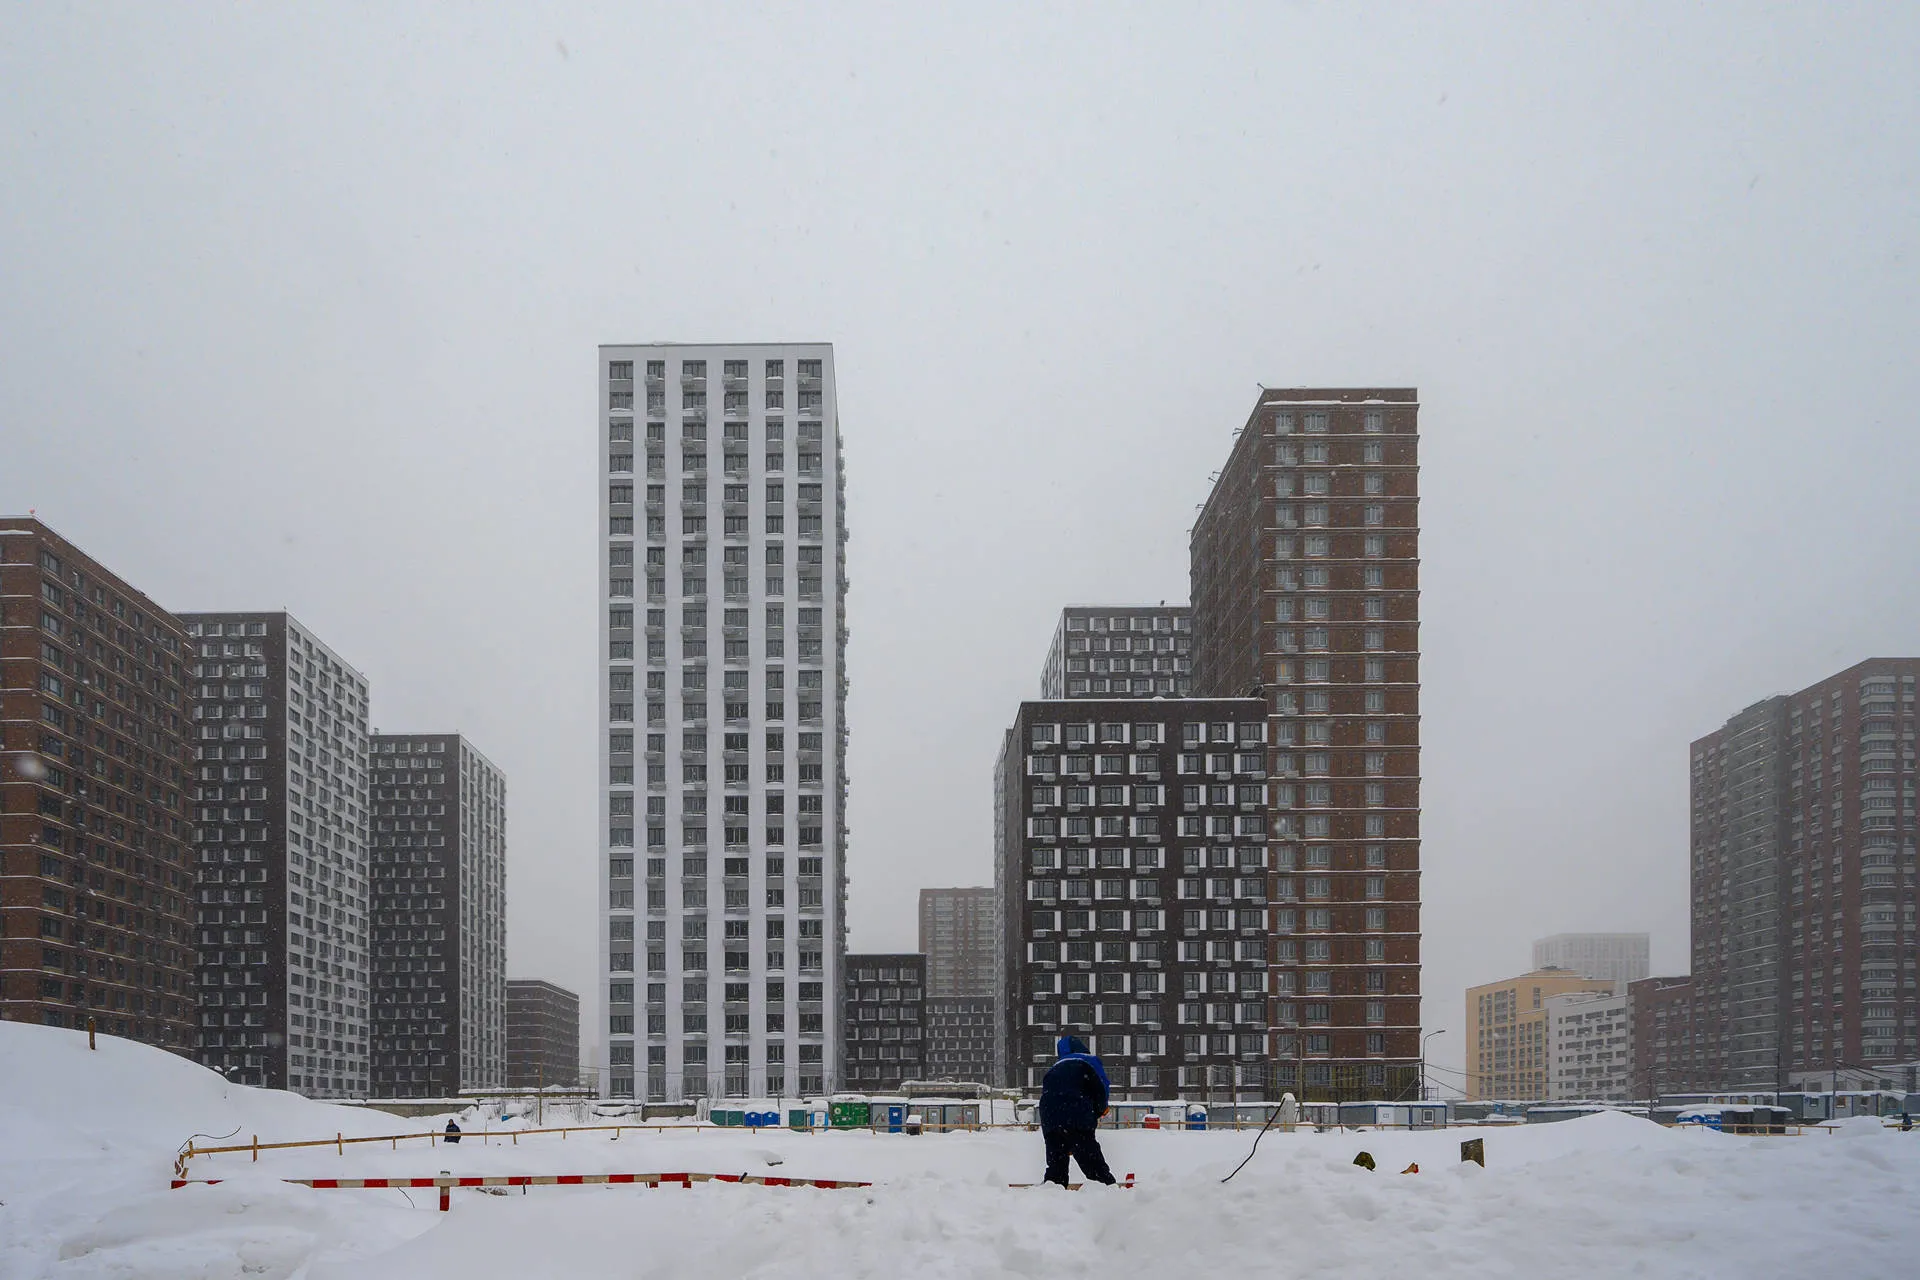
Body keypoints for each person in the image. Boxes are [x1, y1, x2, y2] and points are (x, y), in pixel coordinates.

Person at [1038, 1035, 1115, 1187]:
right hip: (1076, 1113)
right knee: (1090, 1158)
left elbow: (1048, 1094)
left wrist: (1061, 1134)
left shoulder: (1055, 1067)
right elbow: (1101, 1088)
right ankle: (1108, 1188)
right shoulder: (1088, 1061)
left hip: (1049, 1117)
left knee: (1056, 1163)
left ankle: (1052, 1192)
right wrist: (1100, 1110)